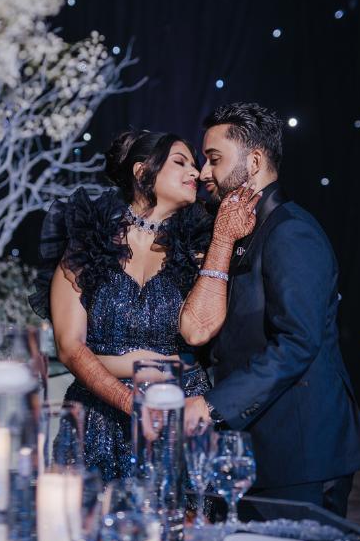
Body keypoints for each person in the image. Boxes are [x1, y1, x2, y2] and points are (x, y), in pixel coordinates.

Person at [181, 103, 360, 515]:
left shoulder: (292, 232)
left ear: (254, 161)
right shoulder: (240, 228)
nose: (203, 172)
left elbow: (297, 343)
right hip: (262, 451)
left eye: (214, 159)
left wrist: (213, 405)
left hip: (301, 453)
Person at [32, 129, 259, 481]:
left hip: (178, 413)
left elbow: (201, 329)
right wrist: (130, 401)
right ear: (142, 172)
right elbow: (69, 346)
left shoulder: (201, 243)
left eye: (196, 165)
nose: (196, 174)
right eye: (180, 162)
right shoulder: (87, 241)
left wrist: (222, 242)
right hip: (98, 416)